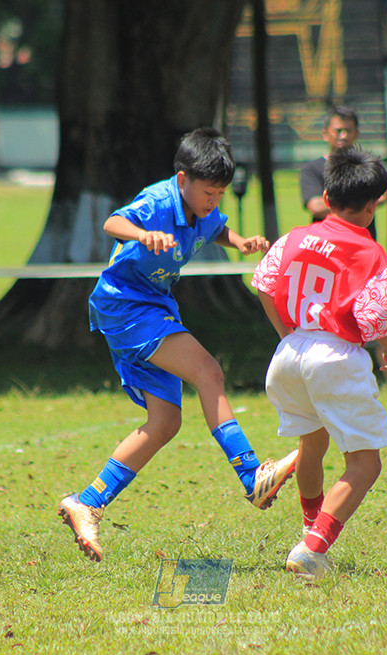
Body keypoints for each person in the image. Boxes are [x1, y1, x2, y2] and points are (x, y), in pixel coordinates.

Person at [58, 128, 298, 562]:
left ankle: (86, 502)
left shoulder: (203, 209)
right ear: (182, 178)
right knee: (209, 372)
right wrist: (140, 234)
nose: (214, 200)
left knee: (166, 422)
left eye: (221, 193)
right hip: (127, 306)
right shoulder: (158, 201)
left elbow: (216, 228)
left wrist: (241, 242)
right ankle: (251, 475)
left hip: (152, 306)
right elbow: (112, 221)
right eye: (208, 191)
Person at [253, 147, 387, 579]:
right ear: (373, 206)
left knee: (312, 445)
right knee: (365, 463)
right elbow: (374, 317)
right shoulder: (368, 250)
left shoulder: (295, 236)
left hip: (289, 354)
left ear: (326, 193)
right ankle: (313, 547)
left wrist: (288, 335)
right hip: (334, 356)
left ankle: (308, 529)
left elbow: (263, 283)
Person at [299, 105, 387, 410]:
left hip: (364, 259)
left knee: (379, 317)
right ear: (325, 134)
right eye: (336, 130)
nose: (342, 136)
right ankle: (325, 394)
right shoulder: (314, 169)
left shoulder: (370, 165)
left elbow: (383, 193)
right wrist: (352, 199)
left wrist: (343, 199)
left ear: (357, 133)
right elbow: (313, 205)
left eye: (348, 130)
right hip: (326, 261)